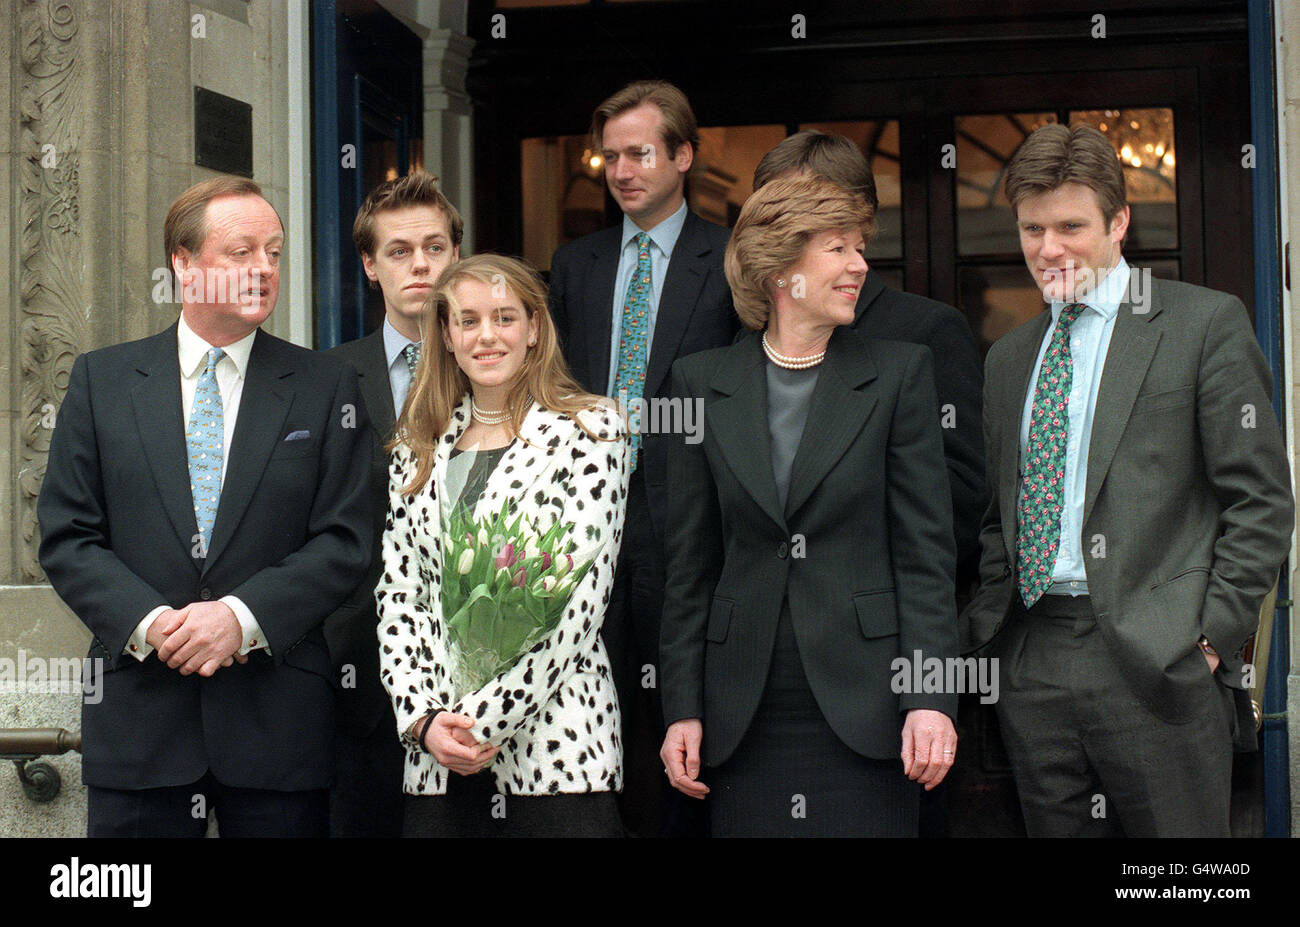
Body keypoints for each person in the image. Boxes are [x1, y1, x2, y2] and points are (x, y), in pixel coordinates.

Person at [961, 123, 1294, 836]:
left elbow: (1260, 498)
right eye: (1033, 228)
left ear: (1119, 222)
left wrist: (1208, 636)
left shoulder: (1202, 324)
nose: (1049, 248)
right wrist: (1001, 632)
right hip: (1033, 655)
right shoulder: (1009, 358)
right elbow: (1001, 513)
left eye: (1071, 226)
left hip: (1158, 661)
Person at [37, 176, 372, 836]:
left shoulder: (327, 385)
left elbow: (346, 539)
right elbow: (67, 535)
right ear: (183, 264)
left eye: (274, 253)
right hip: (140, 721)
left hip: (278, 724)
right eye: (241, 251)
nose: (264, 269)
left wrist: (241, 618)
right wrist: (153, 622)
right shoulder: (102, 381)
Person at [659, 175, 959, 837]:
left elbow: (925, 559)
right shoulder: (699, 384)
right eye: (837, 249)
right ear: (778, 267)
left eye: (859, 248)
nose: (859, 265)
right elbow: (688, 568)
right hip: (739, 712)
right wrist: (681, 707)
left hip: (874, 707)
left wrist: (931, 699)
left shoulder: (900, 373)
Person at [753, 131, 986, 836]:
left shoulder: (924, 331)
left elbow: (960, 501)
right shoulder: (741, 335)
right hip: (762, 684)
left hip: (879, 671)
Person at [376, 254, 630, 837]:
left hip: (558, 757)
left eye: (504, 317)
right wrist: (424, 721)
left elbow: (576, 608)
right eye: (467, 321)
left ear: (535, 328)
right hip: (437, 762)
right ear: (446, 334)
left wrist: (478, 723)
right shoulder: (417, 446)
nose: (486, 336)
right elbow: (400, 596)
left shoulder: (592, 430)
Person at [548, 79, 738, 836]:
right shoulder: (575, 264)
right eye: (610, 156)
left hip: (692, 534)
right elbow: (552, 391)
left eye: (640, 153)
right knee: (598, 730)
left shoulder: (727, 259)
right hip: (584, 538)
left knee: (692, 735)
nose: (622, 170)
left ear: (683, 155)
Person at [325, 171, 463, 836]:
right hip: (361, 689)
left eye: (435, 247)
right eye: (400, 250)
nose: (420, 264)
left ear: (457, 257)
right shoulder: (325, 380)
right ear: (370, 266)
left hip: (482, 687)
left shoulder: (503, 370)